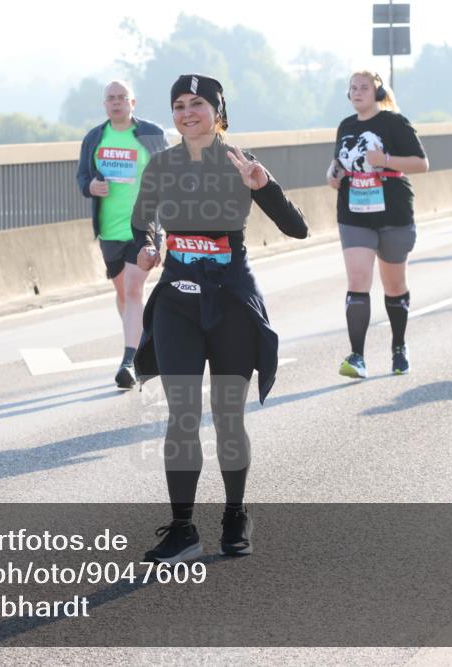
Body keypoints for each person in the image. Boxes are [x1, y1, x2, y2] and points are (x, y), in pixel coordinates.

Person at [132, 74, 307, 563]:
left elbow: (297, 227)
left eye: (198, 104)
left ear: (218, 110)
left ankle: (235, 514)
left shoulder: (241, 162)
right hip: (176, 303)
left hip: (230, 300)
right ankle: (183, 529)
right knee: (182, 415)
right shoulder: (161, 164)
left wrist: (263, 186)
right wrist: (149, 246)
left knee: (229, 415)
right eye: (179, 105)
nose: (187, 113)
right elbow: (142, 221)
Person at [327, 71, 429, 379]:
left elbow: (421, 164)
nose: (357, 92)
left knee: (394, 285)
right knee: (358, 279)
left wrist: (385, 159)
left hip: (393, 212)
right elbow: (338, 163)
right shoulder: (346, 126)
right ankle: (357, 356)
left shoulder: (394, 123)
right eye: (353, 88)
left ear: (377, 92)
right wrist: (333, 175)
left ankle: (398, 347)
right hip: (354, 212)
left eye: (364, 88)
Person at [76, 81, 169, 389]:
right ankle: (140, 341)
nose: (116, 103)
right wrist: (90, 186)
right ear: (104, 104)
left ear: (133, 102)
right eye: (110, 99)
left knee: (132, 291)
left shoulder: (151, 134)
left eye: (122, 98)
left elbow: (170, 172)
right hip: (109, 230)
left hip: (144, 227)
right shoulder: (95, 137)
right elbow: (82, 178)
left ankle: (129, 361)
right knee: (124, 295)